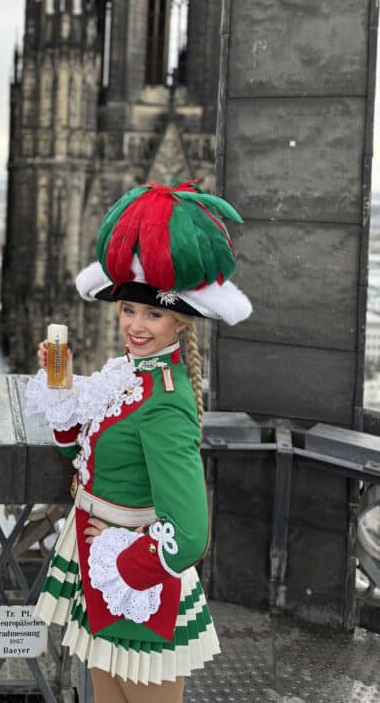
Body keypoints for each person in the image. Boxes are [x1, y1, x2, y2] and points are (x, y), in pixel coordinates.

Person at [26, 182, 252, 703]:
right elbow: (78, 449)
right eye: (129, 311)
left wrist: (119, 559)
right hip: (102, 574)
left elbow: (191, 534)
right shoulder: (129, 376)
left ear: (180, 319)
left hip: (137, 584)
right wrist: (60, 387)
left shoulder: (166, 402)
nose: (136, 324)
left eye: (152, 314)